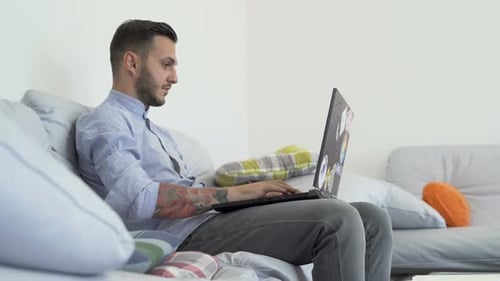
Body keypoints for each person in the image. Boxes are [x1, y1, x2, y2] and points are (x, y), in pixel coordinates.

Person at [75, 19, 393, 281]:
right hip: (182, 234)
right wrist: (238, 195)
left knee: (371, 218)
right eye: (166, 64)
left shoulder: (155, 131)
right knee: (337, 219)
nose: (174, 76)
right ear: (132, 62)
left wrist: (250, 196)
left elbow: (189, 193)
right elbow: (140, 199)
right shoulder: (105, 123)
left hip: (209, 220)